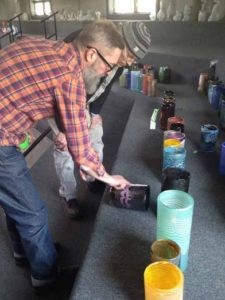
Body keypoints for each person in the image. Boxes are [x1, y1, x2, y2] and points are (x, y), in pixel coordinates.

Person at [0, 20, 130, 290]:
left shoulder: (47, 46)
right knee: (34, 213)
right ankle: (45, 276)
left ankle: (24, 251)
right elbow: (82, 150)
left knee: (17, 201)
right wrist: (109, 178)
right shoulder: (70, 79)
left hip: (8, 131)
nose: (108, 71)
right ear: (91, 53)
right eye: (109, 65)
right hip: (2, 140)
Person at [51, 22, 151, 219]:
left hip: (86, 100)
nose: (130, 62)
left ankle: (92, 178)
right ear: (119, 43)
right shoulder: (82, 41)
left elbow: (105, 86)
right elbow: (58, 88)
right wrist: (64, 129)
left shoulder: (120, 59)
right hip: (60, 101)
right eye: (130, 55)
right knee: (66, 151)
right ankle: (68, 194)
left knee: (96, 137)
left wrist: (94, 113)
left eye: (135, 59)